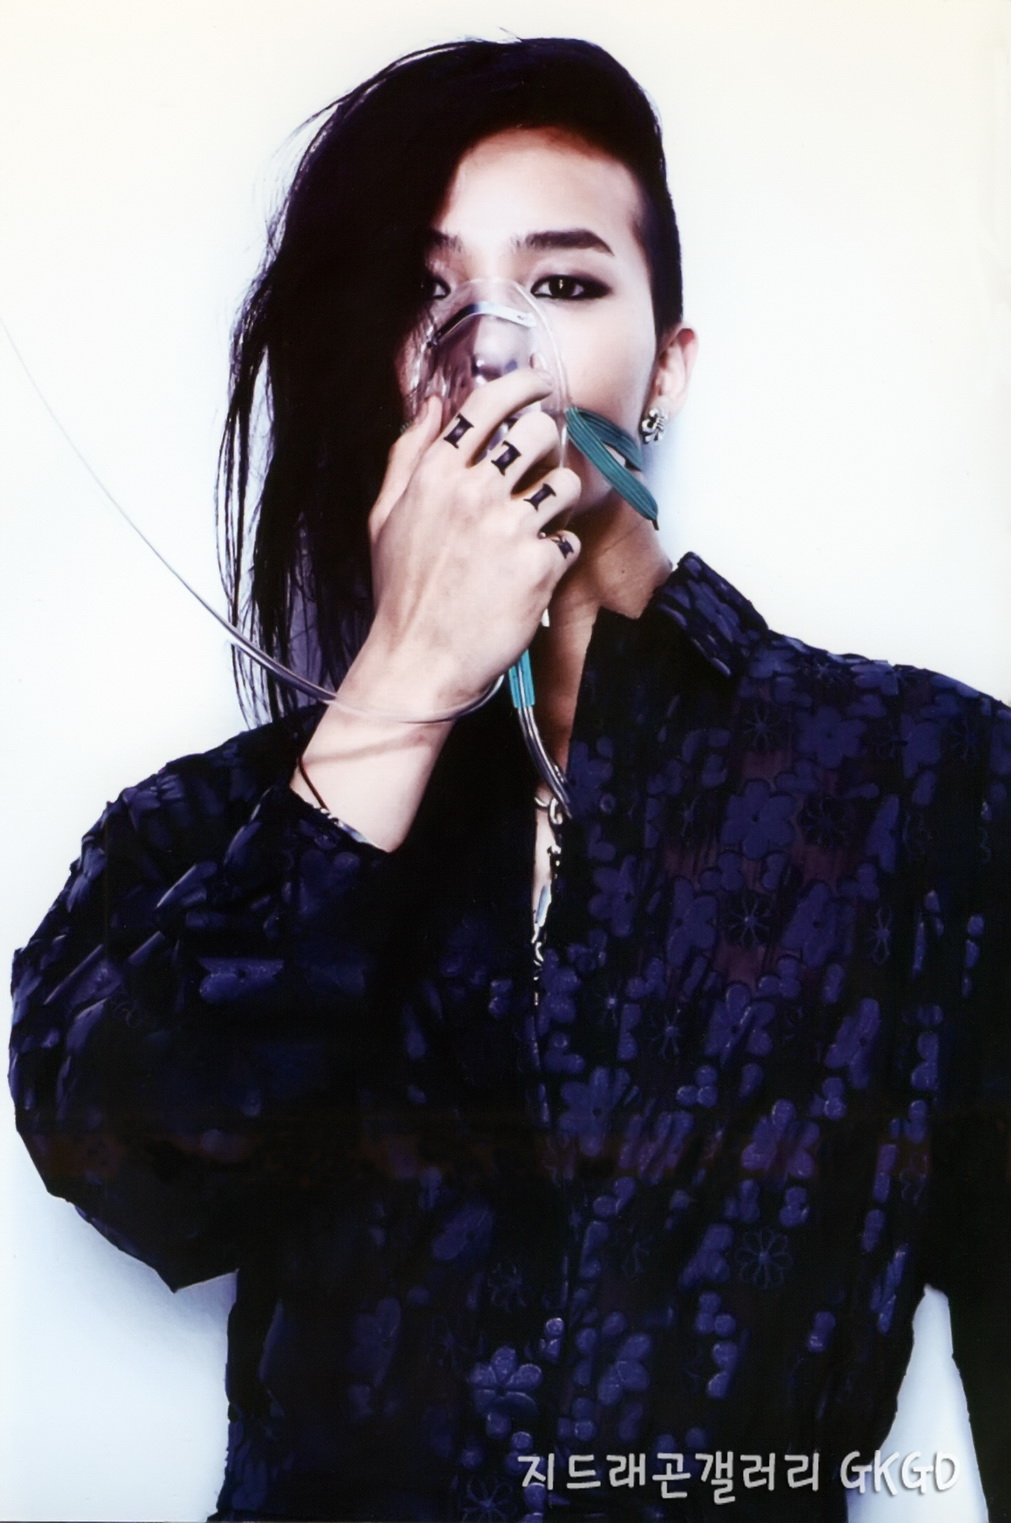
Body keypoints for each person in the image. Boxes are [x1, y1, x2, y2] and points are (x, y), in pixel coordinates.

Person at [9, 34, 1011, 1523]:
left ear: (667, 366)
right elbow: (135, 1168)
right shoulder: (209, 830)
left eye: (566, 284)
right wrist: (406, 681)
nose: (493, 347)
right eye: (431, 292)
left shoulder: (929, 786)